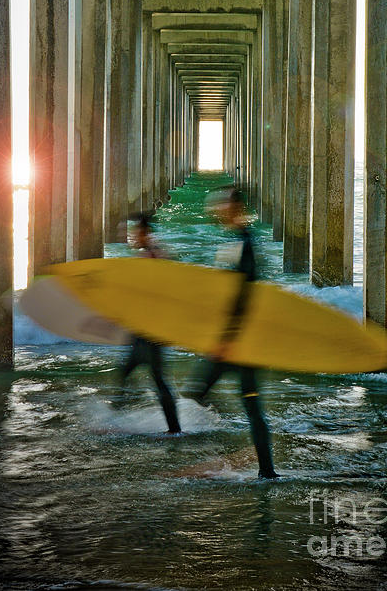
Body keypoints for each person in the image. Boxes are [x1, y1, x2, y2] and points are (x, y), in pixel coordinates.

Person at [187, 188, 279, 478]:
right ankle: (257, 463)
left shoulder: (245, 241)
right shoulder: (235, 239)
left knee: (248, 405)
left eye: (224, 206)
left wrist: (227, 338)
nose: (219, 210)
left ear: (236, 208)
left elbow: (244, 294)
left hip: (241, 345)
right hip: (236, 341)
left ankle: (266, 470)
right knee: (201, 393)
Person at [119, 212, 182, 435]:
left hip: (151, 330)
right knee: (130, 373)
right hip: (146, 329)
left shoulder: (152, 255)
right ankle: (117, 418)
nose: (132, 236)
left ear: (144, 232)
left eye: (135, 231)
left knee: (155, 378)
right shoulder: (154, 253)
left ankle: (174, 429)